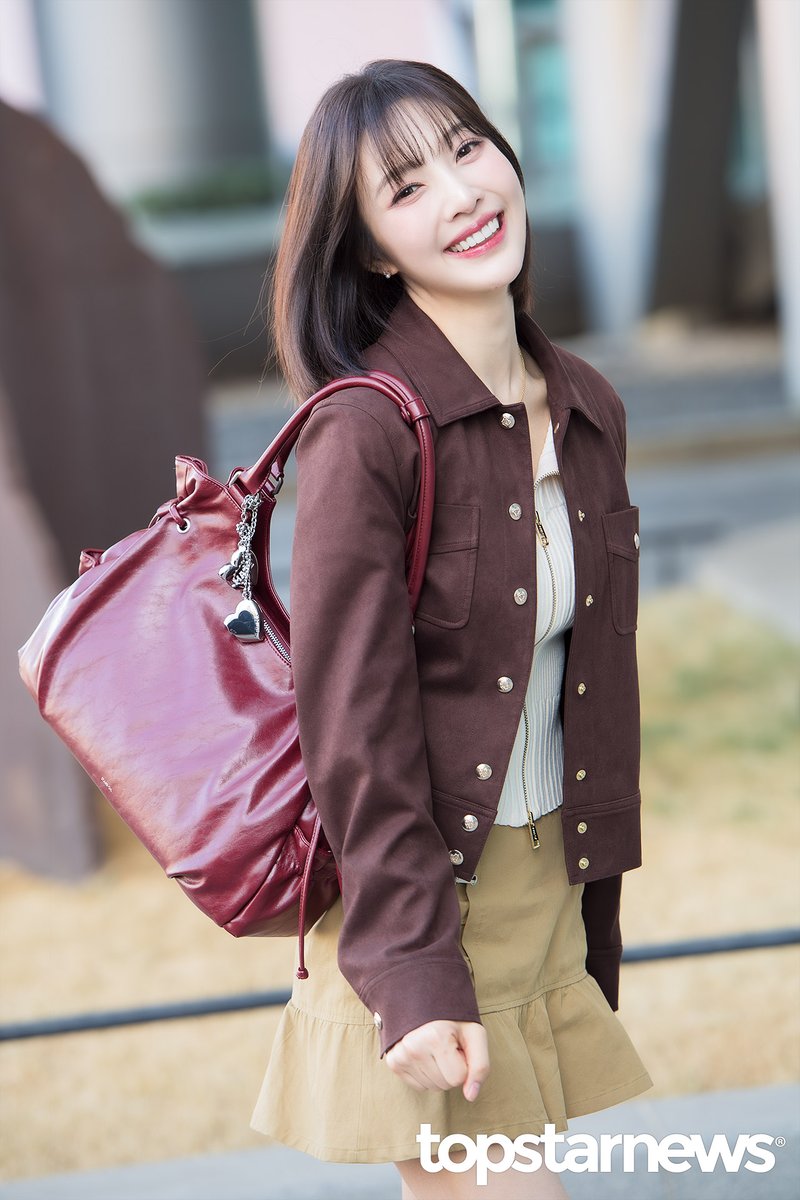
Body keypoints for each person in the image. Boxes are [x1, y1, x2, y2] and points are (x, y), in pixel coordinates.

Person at [249, 58, 654, 1198]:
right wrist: (415, 968)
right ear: (373, 247)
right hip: (428, 898)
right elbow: (352, 735)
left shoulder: (584, 404)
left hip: (546, 890)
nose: (462, 194)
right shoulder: (364, 434)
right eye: (407, 184)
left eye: (467, 149)